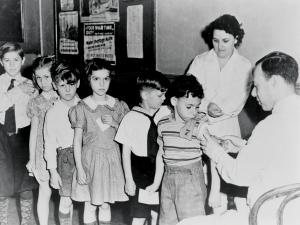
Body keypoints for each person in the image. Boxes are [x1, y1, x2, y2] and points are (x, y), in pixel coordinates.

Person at [178, 51, 300, 225]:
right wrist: (244, 147)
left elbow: (239, 175)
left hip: (267, 217)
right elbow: (281, 157)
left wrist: (215, 151)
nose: (252, 94)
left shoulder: (271, 125)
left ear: (274, 82)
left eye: (256, 86)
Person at [187, 14, 252, 213]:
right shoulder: (200, 61)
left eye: (225, 41)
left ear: (236, 39)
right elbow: (189, 91)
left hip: (228, 127)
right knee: (205, 179)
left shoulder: (245, 66)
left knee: (226, 180)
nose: (220, 46)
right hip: (200, 123)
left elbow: (238, 101)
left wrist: (217, 110)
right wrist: (206, 106)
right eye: (215, 41)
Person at [69, 58, 129, 225]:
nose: (101, 83)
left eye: (106, 78)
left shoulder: (118, 105)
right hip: (91, 161)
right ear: (89, 80)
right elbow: (77, 140)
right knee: (90, 203)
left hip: (112, 160)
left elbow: (128, 136)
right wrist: (80, 168)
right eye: (96, 78)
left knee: (104, 204)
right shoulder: (82, 107)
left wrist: (115, 124)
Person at [145, 75, 207, 225]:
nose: (194, 111)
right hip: (168, 178)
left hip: (190, 179)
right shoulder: (163, 124)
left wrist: (215, 188)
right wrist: (156, 182)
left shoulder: (199, 124)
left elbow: (212, 154)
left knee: (192, 221)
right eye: (189, 106)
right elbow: (162, 153)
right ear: (173, 101)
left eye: (197, 106)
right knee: (166, 220)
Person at [115, 71, 170, 225]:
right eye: (160, 96)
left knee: (158, 213)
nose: (164, 98)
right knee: (139, 214)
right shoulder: (131, 118)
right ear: (145, 95)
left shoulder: (166, 112)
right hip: (140, 171)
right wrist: (129, 180)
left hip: (161, 168)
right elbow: (125, 152)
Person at [0, 42, 38, 225]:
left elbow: (34, 112)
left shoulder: (30, 85)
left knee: (25, 184)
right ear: (1, 62)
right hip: (1, 138)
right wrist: (16, 91)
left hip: (24, 137)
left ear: (23, 60)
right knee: (2, 182)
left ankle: (25, 222)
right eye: (7, 60)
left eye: (16, 60)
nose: (12, 64)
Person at [43, 60, 81, 225]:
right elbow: (49, 143)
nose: (67, 89)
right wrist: (53, 172)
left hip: (85, 156)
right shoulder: (52, 112)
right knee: (66, 200)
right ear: (54, 85)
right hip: (65, 160)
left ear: (78, 83)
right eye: (62, 84)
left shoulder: (85, 106)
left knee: (87, 199)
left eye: (71, 84)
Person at [26, 56, 58, 225]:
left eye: (47, 77)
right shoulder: (36, 102)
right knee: (44, 190)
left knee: (65, 193)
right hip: (41, 151)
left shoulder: (65, 97)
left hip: (61, 150)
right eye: (39, 78)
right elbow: (34, 132)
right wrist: (32, 159)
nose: (43, 82)